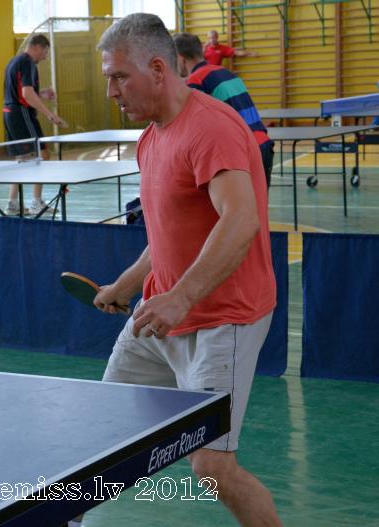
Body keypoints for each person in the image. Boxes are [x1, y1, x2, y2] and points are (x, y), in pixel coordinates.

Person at [94, 14, 281, 526]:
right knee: (95, 433)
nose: (111, 91)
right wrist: (126, 285)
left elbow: (240, 220)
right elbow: (167, 235)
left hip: (222, 319)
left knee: (213, 468)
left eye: (119, 77)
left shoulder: (211, 128)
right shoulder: (151, 138)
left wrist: (181, 297)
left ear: (158, 69)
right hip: (158, 319)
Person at [174, 32, 274, 188]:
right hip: (263, 146)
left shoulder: (196, 80)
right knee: (258, 204)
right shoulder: (225, 73)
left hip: (243, 152)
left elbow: (191, 129)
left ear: (181, 58)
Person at [2, 34, 67, 216]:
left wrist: (42, 94)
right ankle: (36, 203)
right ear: (37, 47)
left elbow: (22, 92)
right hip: (21, 114)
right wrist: (50, 115)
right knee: (42, 154)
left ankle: (13, 204)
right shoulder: (28, 62)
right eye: (45, 52)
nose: (45, 57)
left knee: (22, 158)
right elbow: (27, 95)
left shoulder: (14, 61)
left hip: (9, 113)